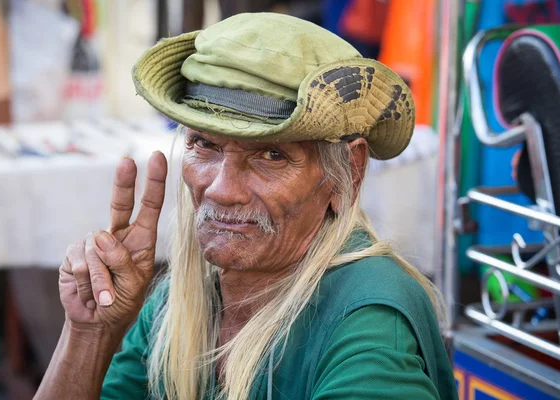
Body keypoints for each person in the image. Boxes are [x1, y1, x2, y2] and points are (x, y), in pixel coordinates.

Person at [35, 13, 457, 400]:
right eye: (204, 144)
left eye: (270, 155)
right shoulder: (182, 299)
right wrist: (90, 332)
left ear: (348, 170)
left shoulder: (369, 323)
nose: (221, 189)